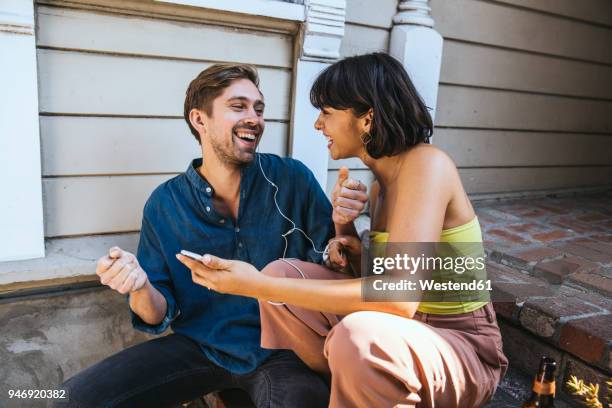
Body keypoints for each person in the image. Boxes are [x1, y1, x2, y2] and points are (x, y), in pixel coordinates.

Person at [177, 53, 509, 408]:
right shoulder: (383, 181)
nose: (319, 125)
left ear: (367, 119)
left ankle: (354, 377)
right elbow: (383, 283)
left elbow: (398, 298)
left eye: (328, 113)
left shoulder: (426, 165)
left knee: (350, 332)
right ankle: (347, 385)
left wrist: (255, 284)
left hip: (459, 343)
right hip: (403, 331)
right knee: (284, 274)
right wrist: (345, 233)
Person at [58, 63, 368, 408]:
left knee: (303, 400)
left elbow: (340, 266)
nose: (254, 118)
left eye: (259, 108)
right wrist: (138, 285)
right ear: (199, 119)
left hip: (282, 351)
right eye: (238, 106)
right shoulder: (165, 203)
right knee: (68, 398)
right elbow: (156, 314)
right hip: (201, 347)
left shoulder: (293, 178)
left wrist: (343, 227)